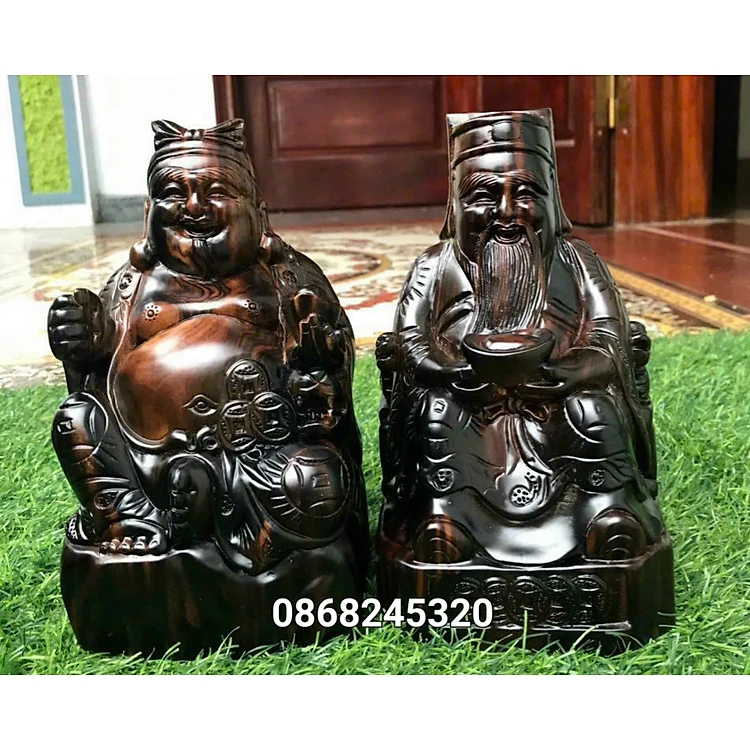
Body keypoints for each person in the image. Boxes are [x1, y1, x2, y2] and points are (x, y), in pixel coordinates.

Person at [48, 119, 367, 578]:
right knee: (76, 419)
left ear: (257, 211)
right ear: (148, 212)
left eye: (216, 191)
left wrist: (320, 360)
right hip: (144, 460)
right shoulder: (130, 285)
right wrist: (81, 345)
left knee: (319, 483)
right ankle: (132, 516)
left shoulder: (289, 277)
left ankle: (237, 525)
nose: (194, 206)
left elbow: (329, 389)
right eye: (173, 193)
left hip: (260, 456)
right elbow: (92, 379)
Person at [377, 109, 665, 567]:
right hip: (466, 399)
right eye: (484, 196)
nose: (507, 213)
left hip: (557, 397)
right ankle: (448, 517)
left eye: (526, 193)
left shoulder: (578, 262)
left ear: (553, 202)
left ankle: (602, 512)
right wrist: (446, 371)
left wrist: (574, 371)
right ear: (455, 207)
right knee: (438, 411)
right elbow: (411, 339)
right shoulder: (434, 266)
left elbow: (608, 335)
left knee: (593, 409)